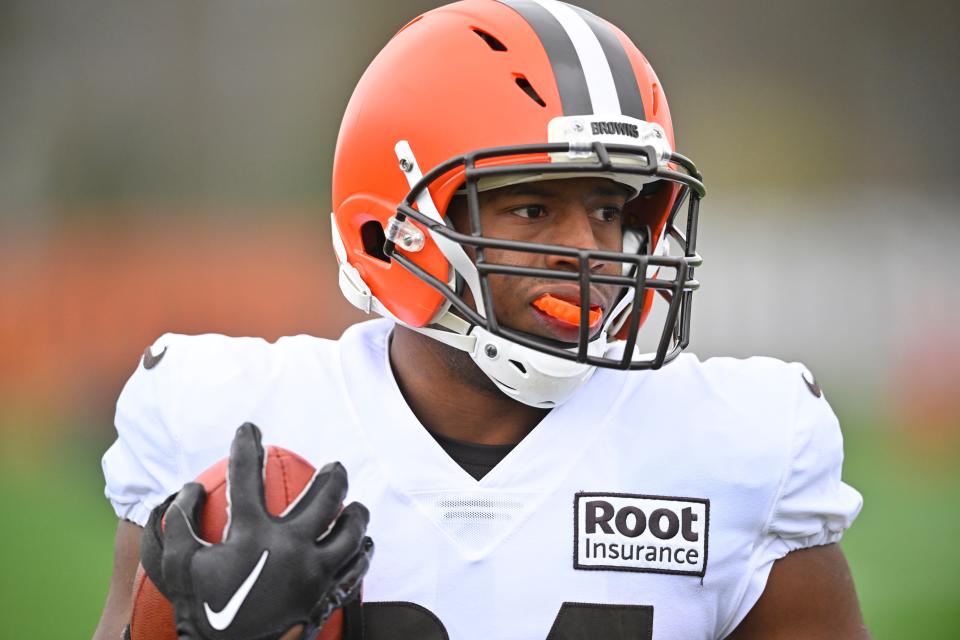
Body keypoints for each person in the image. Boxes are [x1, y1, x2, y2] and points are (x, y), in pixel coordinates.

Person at [94, 1, 868, 638]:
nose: (588, 251)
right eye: (533, 208)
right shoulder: (229, 422)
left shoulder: (741, 445)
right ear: (390, 229)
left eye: (608, 209)